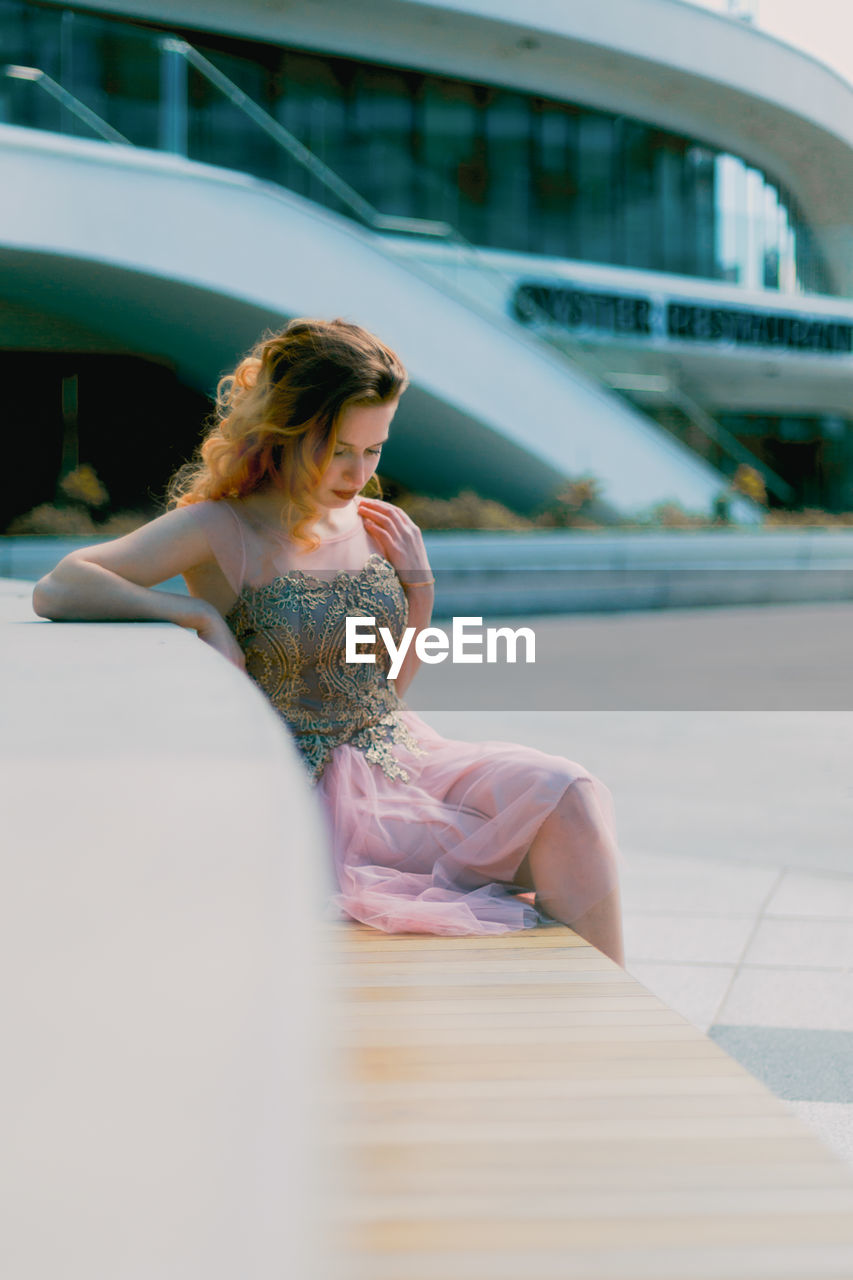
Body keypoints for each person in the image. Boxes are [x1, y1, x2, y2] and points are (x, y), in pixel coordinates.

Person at [32, 317, 626, 965]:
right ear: (288, 429)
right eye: (339, 448)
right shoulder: (220, 525)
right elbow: (60, 586)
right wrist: (192, 615)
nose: (357, 472)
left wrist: (418, 594)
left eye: (374, 449)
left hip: (401, 750)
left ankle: (623, 1037)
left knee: (568, 794)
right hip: (311, 787)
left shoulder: (368, 521)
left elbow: (382, 692)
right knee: (549, 839)